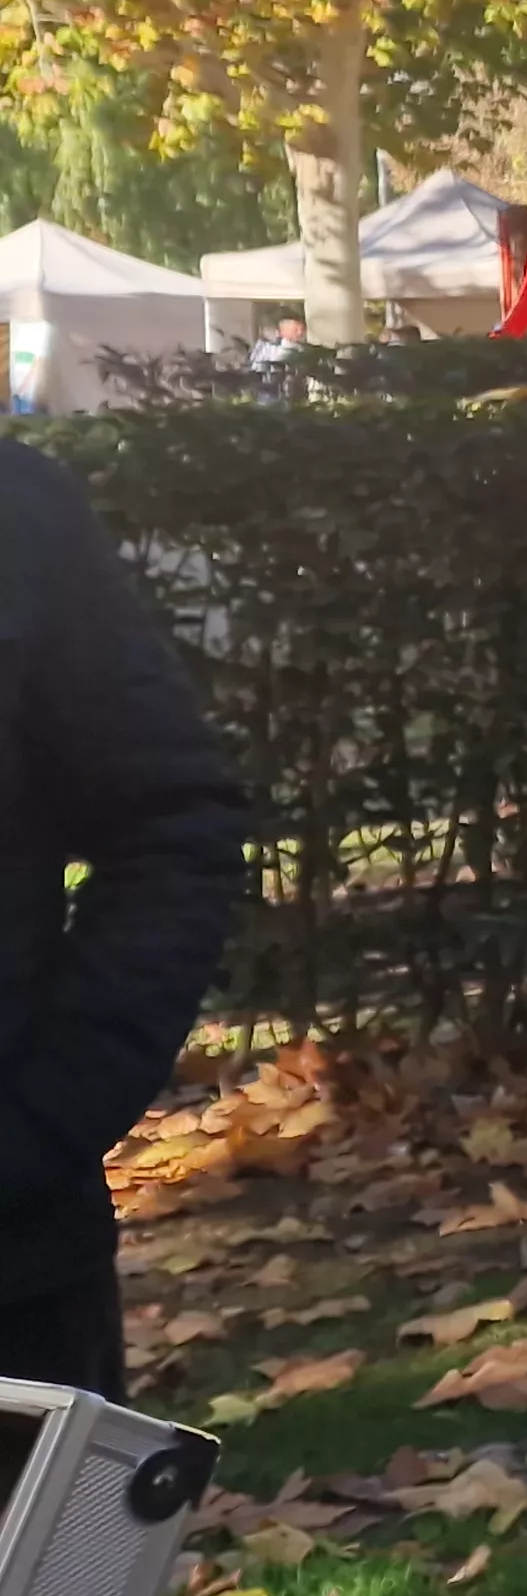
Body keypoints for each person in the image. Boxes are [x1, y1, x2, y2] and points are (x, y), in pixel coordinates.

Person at [0, 444, 247, 1395]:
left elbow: (170, 826)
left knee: (50, 1550)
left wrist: (42, 1120)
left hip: (12, 1282)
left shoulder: (18, 514)